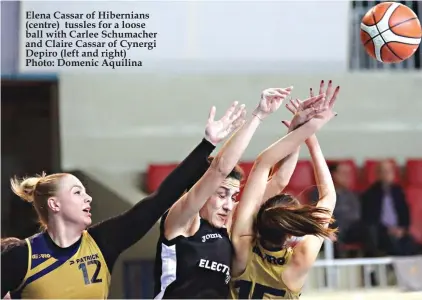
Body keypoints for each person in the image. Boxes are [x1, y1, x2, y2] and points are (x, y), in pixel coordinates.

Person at [0, 102, 246, 299]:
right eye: (77, 192)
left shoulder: (103, 242)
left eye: (86, 191)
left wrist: (207, 144)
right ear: (55, 204)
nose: (88, 197)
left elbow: (160, 199)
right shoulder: (22, 256)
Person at [154, 87, 305, 299]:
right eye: (221, 194)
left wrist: (298, 133)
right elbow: (220, 169)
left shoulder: (229, 226)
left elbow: (279, 181)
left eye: (233, 197)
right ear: (202, 189)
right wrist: (259, 115)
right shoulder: (183, 222)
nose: (228, 204)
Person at [230, 80, 339, 299]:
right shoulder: (299, 260)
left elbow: (262, 165)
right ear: (290, 232)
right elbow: (328, 196)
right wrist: (311, 138)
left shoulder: (241, 246)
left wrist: (302, 131)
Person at [361, 159, 417, 256]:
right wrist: (387, 230)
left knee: (413, 246)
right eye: (384, 171)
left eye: (390, 171)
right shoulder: (370, 193)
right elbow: (369, 219)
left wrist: (402, 230)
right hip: (381, 233)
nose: (387, 174)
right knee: (395, 247)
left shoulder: (398, 191)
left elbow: (405, 213)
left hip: (400, 231)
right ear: (378, 174)